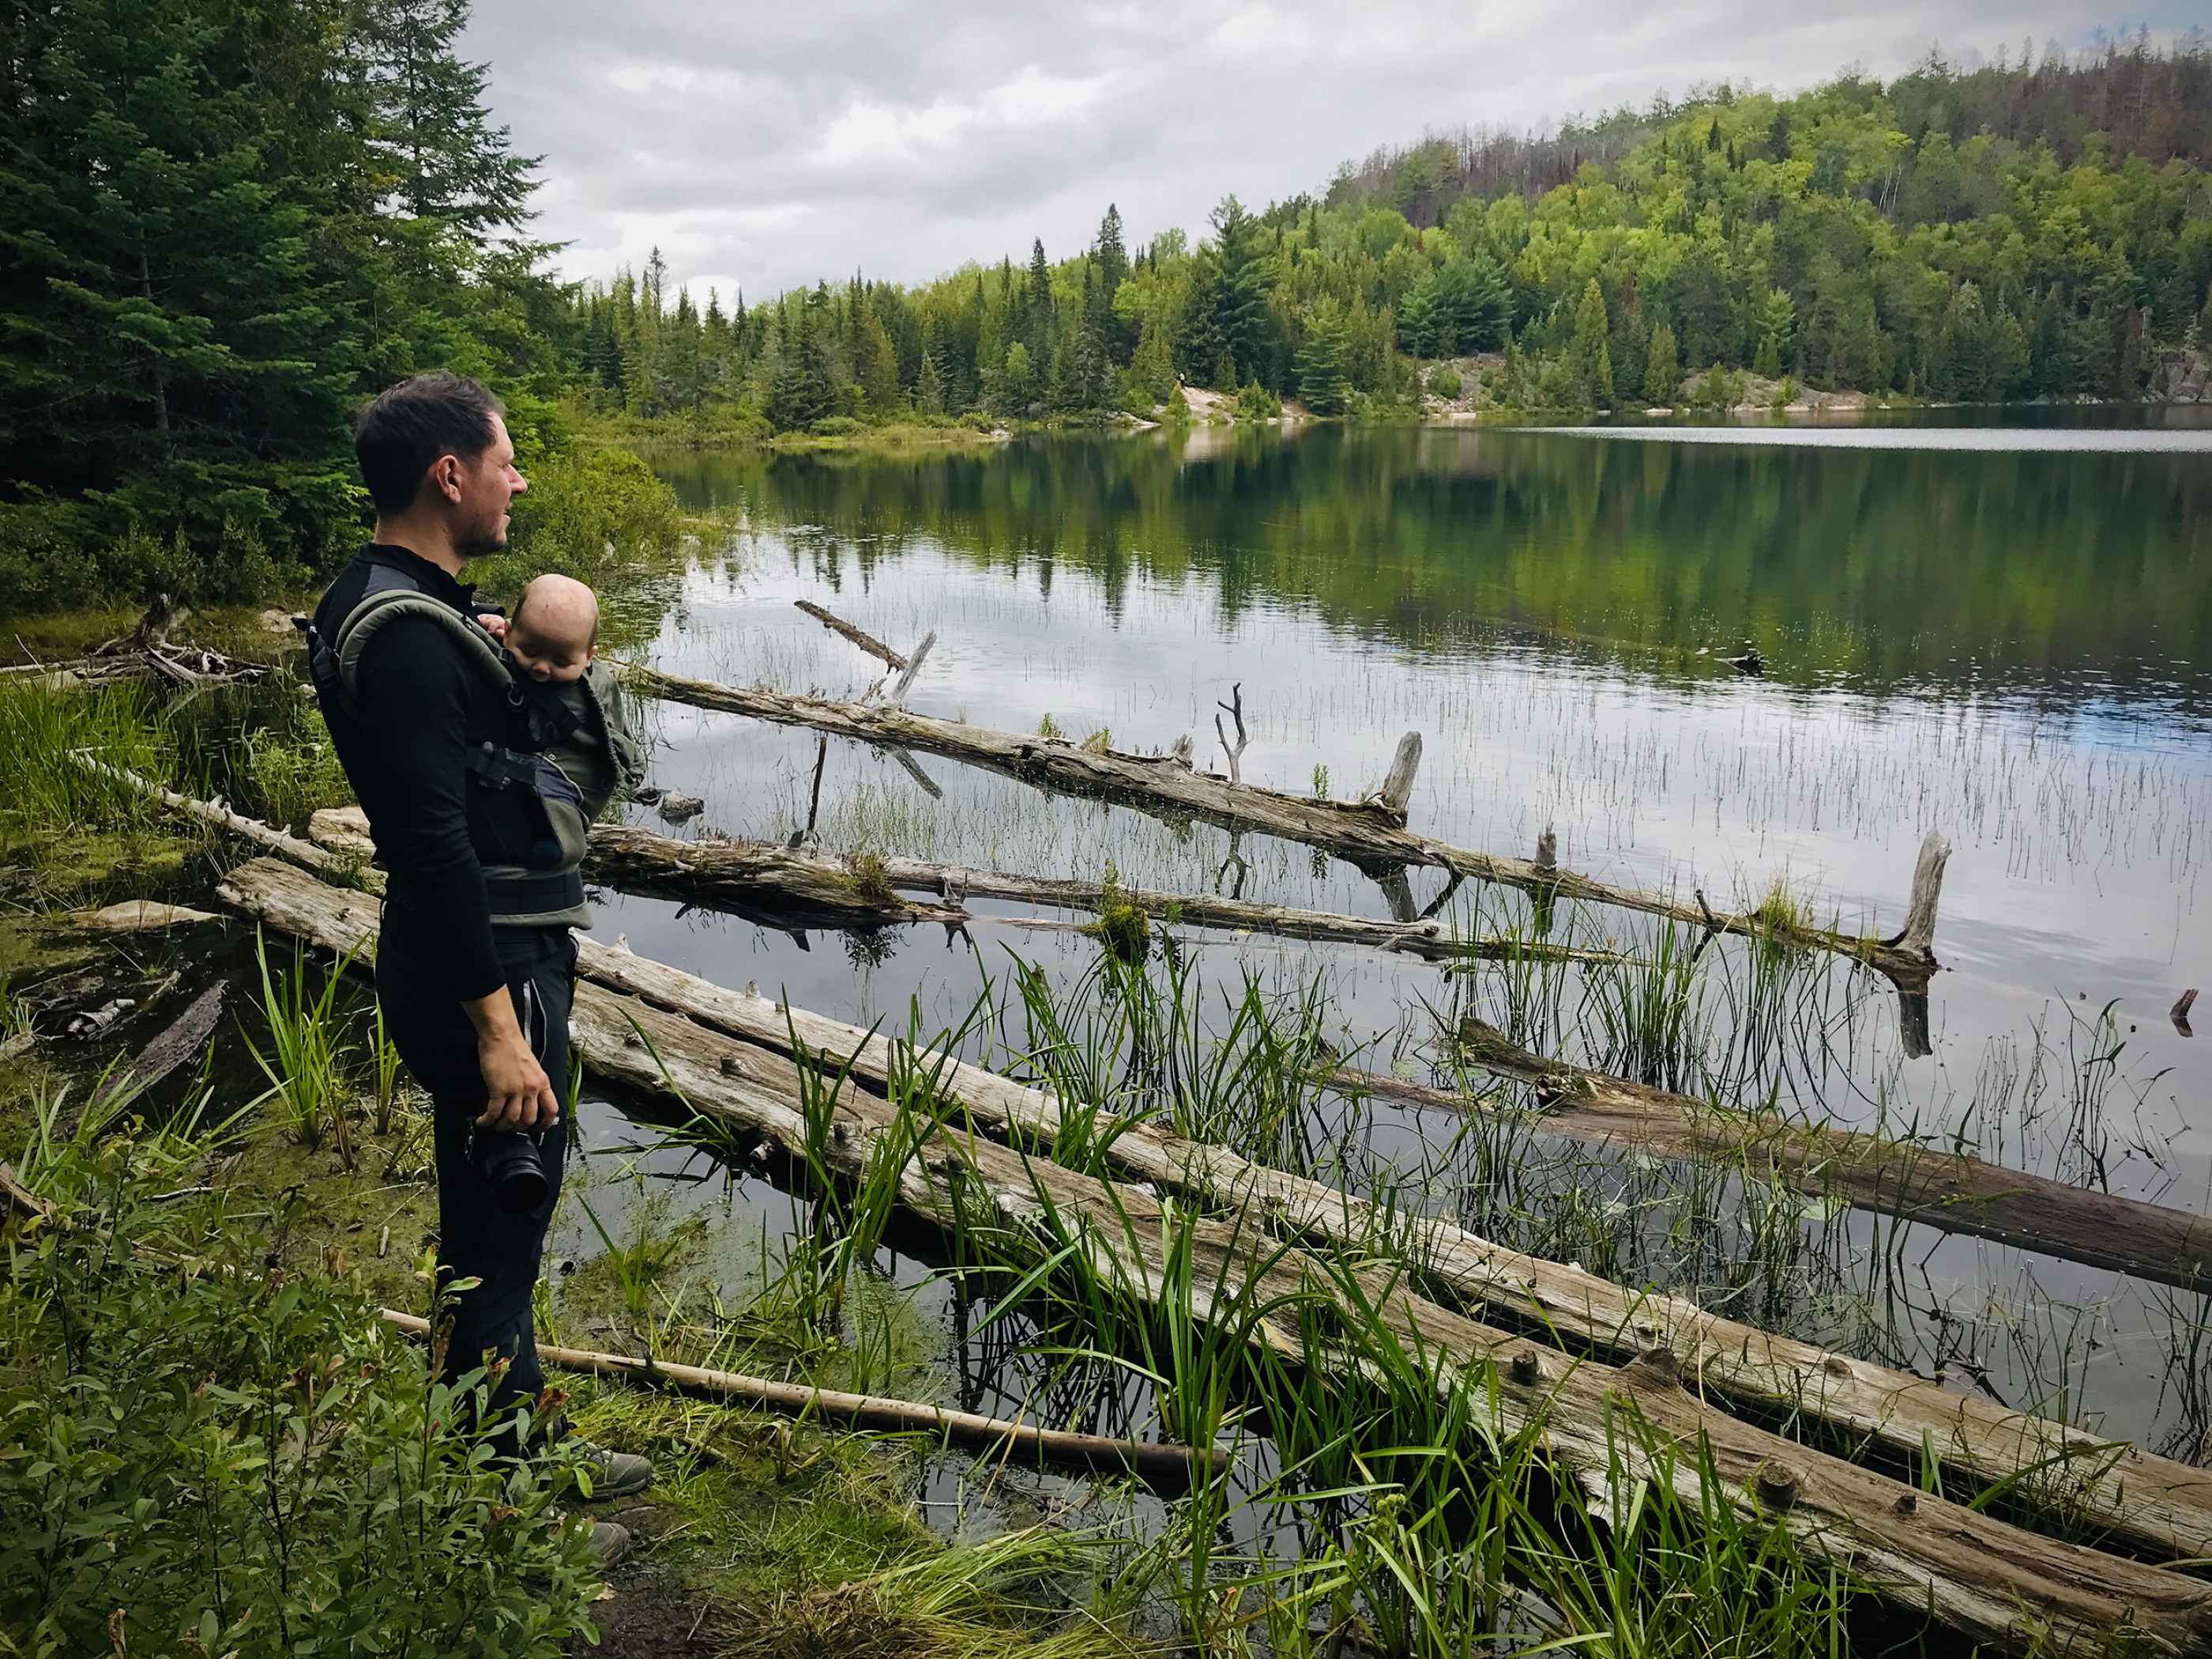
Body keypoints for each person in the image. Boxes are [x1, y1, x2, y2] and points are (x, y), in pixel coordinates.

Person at [304, 372, 651, 1560]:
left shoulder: (401, 606)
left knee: (488, 1224)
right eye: (505, 461)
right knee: (503, 1230)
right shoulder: (404, 637)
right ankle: (501, 1516)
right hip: (487, 966)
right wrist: (501, 1030)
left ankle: (510, 1444)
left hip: (485, 955)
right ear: (448, 474)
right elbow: (432, 843)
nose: (517, 481)